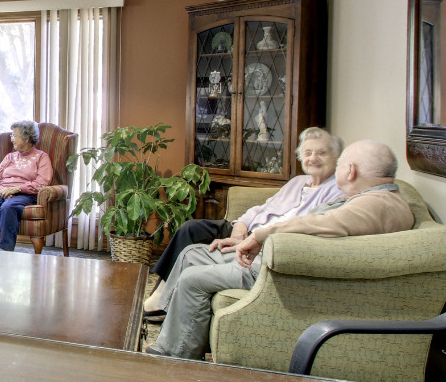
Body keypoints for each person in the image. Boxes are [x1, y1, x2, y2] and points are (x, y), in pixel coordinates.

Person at [145, 140, 414, 360]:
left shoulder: (375, 205)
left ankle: (175, 353)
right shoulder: (373, 198)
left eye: (340, 163)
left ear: (351, 170)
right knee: (193, 253)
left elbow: (319, 224)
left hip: (279, 267)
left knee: (193, 278)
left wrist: (259, 236)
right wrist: (246, 236)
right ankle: (171, 319)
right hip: (276, 255)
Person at [143, 127, 344, 314]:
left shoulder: (336, 191)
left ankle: (161, 301)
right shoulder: (297, 182)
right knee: (191, 228)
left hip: (261, 240)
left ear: (335, 157)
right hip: (246, 230)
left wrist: (253, 238)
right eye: (308, 153)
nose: (313, 158)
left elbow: (302, 226)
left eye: (321, 153)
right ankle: (160, 290)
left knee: (193, 238)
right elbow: (262, 208)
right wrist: (240, 225)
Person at [0, 120, 53, 252]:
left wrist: (17, 189)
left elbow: (42, 182)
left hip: (25, 195)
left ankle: (6, 249)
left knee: (8, 207)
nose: (11, 139)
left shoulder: (41, 157)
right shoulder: (9, 157)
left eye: (14, 136)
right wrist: (1, 189)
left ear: (26, 138)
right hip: (1, 191)